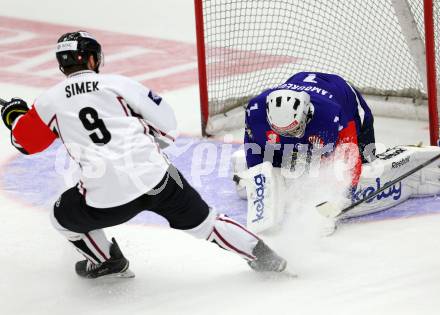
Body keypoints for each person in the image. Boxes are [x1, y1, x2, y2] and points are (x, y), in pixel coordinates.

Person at [0, 31, 287, 278]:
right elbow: (167, 126)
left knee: (60, 218)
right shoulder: (119, 84)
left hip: (105, 198)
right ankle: (264, 256)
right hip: (159, 180)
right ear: (91, 59)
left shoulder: (49, 100)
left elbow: (27, 143)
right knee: (207, 222)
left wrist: (14, 114)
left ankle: (107, 262)